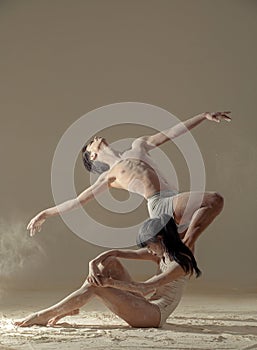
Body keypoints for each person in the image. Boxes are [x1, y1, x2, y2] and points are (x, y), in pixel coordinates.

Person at [27, 111, 231, 251]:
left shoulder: (138, 145)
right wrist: (45, 213)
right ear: (92, 157)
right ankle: (185, 244)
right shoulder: (109, 177)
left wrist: (203, 116)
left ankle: (181, 250)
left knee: (178, 267)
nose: (94, 138)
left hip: (174, 199)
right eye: (90, 144)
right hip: (160, 206)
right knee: (214, 200)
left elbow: (171, 133)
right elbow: (78, 201)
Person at [15, 214, 202, 328]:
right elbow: (115, 253)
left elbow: (146, 288)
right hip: (146, 305)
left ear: (161, 238)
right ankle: (71, 307)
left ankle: (43, 316)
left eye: (150, 245)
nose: (149, 250)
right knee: (110, 263)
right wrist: (93, 262)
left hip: (153, 316)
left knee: (97, 287)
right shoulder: (161, 252)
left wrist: (109, 283)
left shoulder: (181, 264)